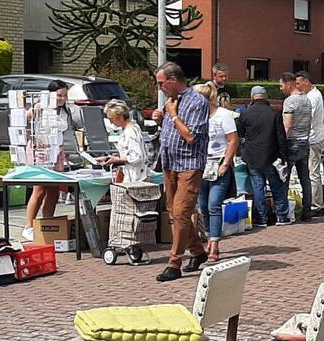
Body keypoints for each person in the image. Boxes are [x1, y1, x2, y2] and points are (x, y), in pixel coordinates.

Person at [153, 62, 209, 281]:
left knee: (181, 212)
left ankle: (174, 263)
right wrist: (162, 121)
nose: (160, 88)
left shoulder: (197, 101)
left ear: (173, 80)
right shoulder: (171, 101)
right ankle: (197, 251)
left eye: (162, 83)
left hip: (189, 164)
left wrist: (174, 115)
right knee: (175, 212)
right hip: (169, 163)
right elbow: (172, 132)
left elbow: (190, 136)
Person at [22, 80, 84, 241]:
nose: (62, 99)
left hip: (57, 152)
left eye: (65, 96)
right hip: (40, 152)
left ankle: (46, 222)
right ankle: (28, 226)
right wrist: (35, 111)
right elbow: (25, 122)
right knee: (39, 189)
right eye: (59, 95)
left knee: (54, 190)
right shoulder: (41, 107)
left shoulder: (64, 111)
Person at [194, 82, 238, 264]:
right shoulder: (196, 116)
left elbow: (233, 140)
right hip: (201, 163)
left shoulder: (223, 115)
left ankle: (215, 244)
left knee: (214, 204)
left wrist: (226, 163)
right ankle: (208, 237)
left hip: (219, 161)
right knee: (203, 205)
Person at [237, 86, 291, 226]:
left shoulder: (245, 113)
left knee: (258, 187)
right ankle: (281, 216)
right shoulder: (274, 114)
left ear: (252, 97)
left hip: (252, 155)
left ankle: (261, 218)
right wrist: (284, 156)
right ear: (265, 96)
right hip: (271, 155)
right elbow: (281, 137)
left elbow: (240, 134)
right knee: (277, 186)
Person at [280, 72, 313, 221]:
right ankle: (307, 211)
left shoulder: (289, 101)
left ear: (289, 84)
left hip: (292, 142)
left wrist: (282, 142)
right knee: (305, 178)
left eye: (281, 85)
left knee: (284, 177)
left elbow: (288, 125)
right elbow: (309, 121)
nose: (281, 88)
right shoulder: (307, 99)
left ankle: (283, 212)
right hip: (304, 141)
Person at [296, 71, 324, 217]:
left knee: (312, 172)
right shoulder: (313, 94)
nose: (297, 86)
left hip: (313, 138)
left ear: (306, 81)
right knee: (312, 171)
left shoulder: (313, 97)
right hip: (315, 136)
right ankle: (315, 202)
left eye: (298, 83)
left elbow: (307, 118)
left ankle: (316, 205)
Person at [98, 99, 148, 182]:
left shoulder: (130, 132)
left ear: (120, 117)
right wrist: (109, 158)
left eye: (112, 119)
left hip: (135, 176)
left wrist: (117, 160)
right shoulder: (133, 128)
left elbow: (136, 157)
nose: (111, 122)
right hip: (134, 174)